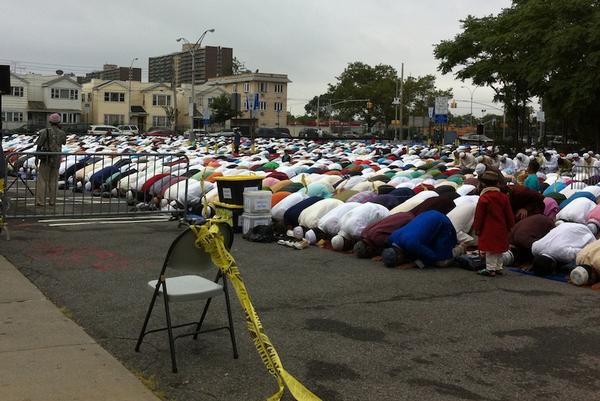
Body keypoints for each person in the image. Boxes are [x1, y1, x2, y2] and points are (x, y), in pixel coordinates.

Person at [381, 210, 459, 268]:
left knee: (441, 262)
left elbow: (432, 257)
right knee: (419, 252)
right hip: (426, 215)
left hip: (441, 222)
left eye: (398, 262)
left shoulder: (412, 244)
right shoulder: (391, 239)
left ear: (399, 256)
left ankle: (461, 248)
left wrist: (414, 264)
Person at [472, 171, 515, 276]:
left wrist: (477, 227)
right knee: (499, 249)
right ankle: (498, 267)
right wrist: (510, 225)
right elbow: (509, 214)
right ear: (497, 183)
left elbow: (479, 215)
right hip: (501, 226)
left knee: (490, 249)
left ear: (484, 184)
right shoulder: (503, 197)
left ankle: (490, 269)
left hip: (488, 228)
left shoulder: (484, 198)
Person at [35, 113, 66, 206]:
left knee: (43, 180)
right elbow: (63, 143)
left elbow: (39, 144)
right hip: (57, 158)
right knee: (54, 181)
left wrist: (37, 157)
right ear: (59, 122)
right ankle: (52, 201)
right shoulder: (62, 133)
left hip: (46, 158)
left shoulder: (45, 131)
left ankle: (41, 201)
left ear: (50, 121)